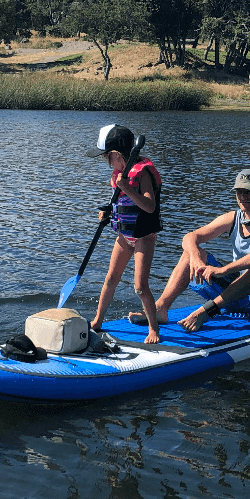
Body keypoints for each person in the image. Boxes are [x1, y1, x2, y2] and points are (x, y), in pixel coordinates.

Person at [152, 168, 250, 333]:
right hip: (237, 295)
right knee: (190, 251)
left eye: (249, 191)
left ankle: (205, 312)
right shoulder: (233, 218)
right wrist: (196, 258)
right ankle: (160, 308)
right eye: (239, 191)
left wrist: (223, 270)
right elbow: (190, 237)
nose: (243, 196)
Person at [86, 124, 163, 344]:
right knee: (111, 278)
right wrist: (106, 212)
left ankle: (153, 329)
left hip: (143, 236)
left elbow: (149, 206)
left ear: (117, 155)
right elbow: (120, 203)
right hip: (124, 235)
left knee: (140, 286)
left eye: (107, 157)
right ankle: (98, 320)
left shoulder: (142, 173)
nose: (106, 162)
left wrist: (127, 187)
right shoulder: (120, 174)